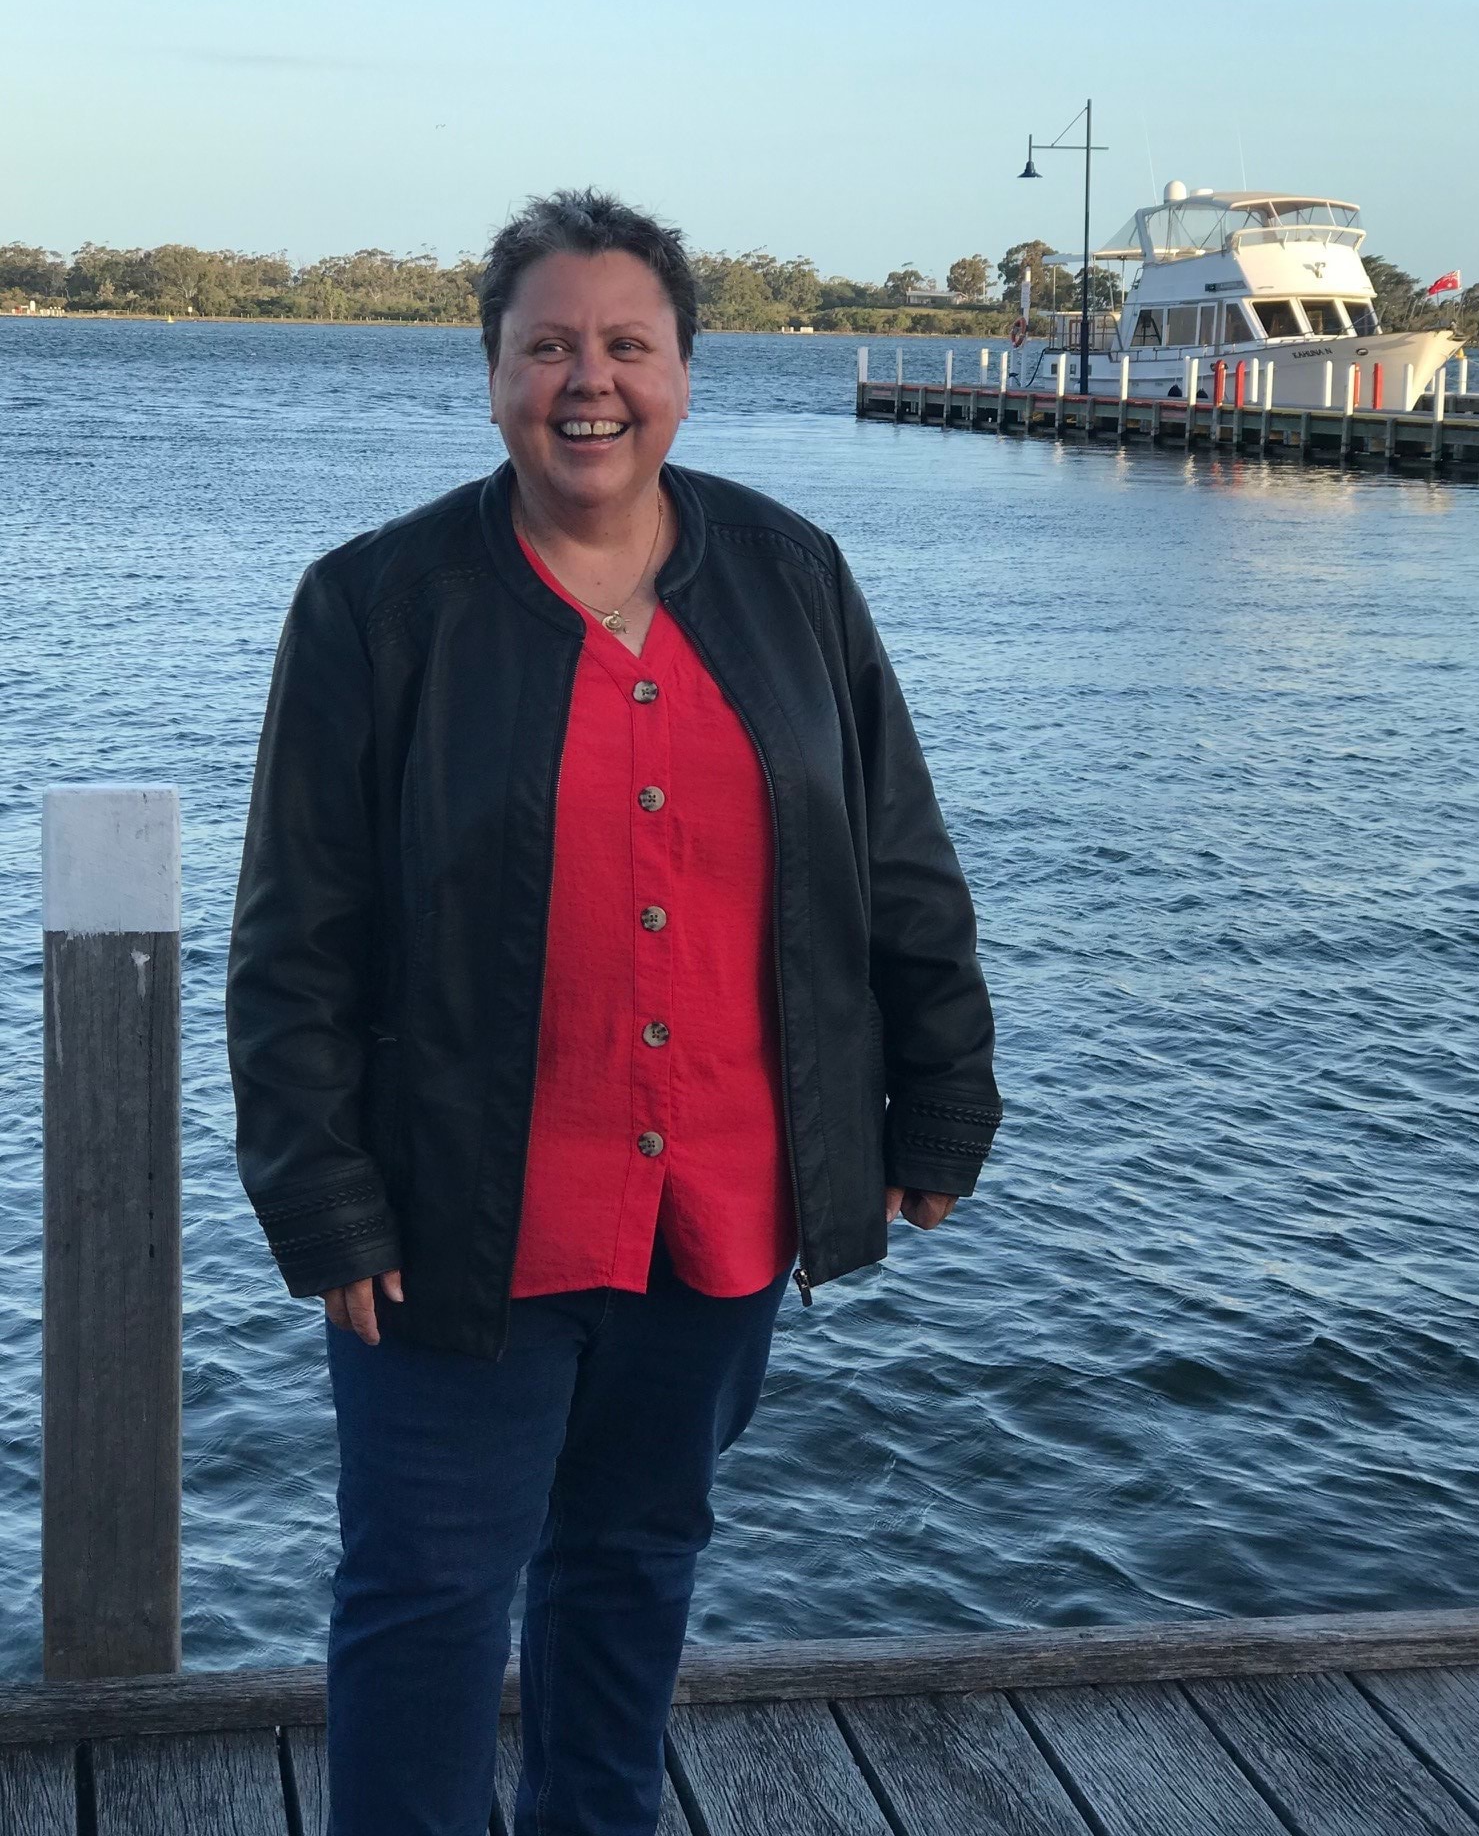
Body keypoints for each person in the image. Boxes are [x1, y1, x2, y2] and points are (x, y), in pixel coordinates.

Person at [225, 187, 1001, 1836]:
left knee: (635, 1566)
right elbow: (295, 940)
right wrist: (319, 1193)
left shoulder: (794, 579)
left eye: (627, 344)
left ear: (684, 372)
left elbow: (901, 870)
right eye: (550, 345)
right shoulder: (373, 608)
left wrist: (940, 1100)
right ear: (493, 370)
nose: (591, 380)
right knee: (429, 1602)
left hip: (717, 1205)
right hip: (454, 1218)